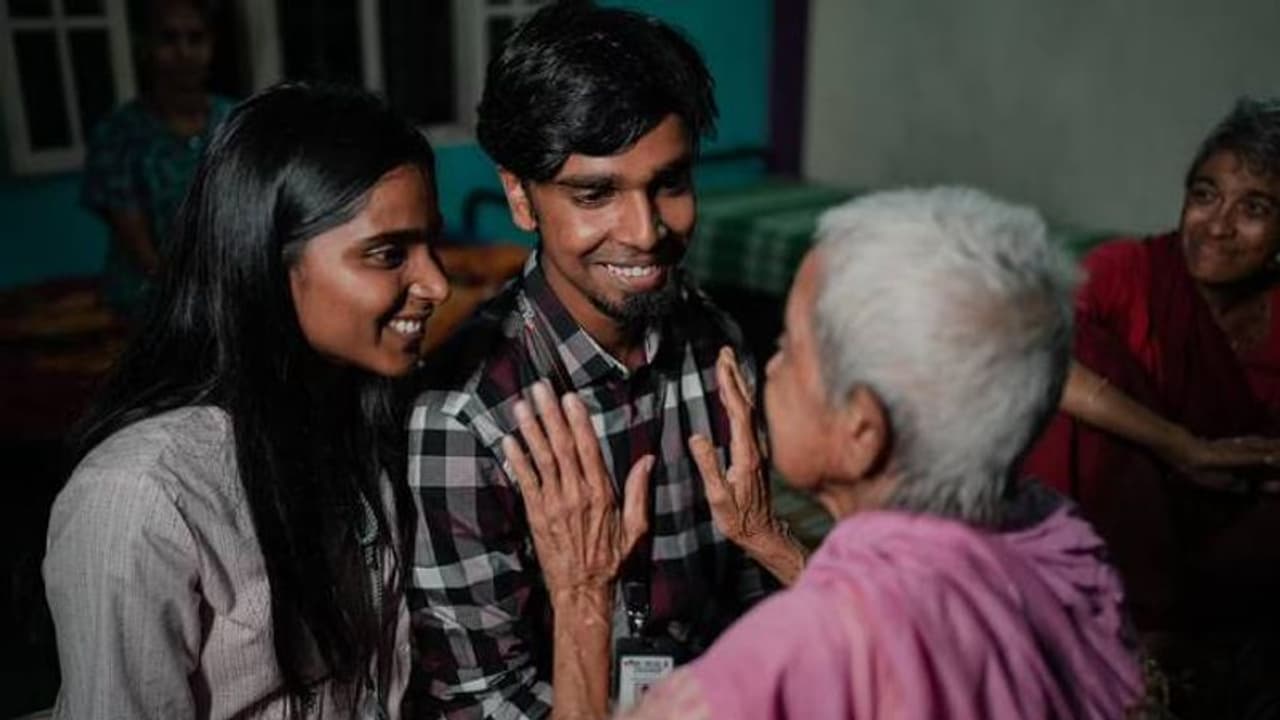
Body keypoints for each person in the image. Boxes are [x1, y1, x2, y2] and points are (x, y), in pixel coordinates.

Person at [508, 187, 1146, 719]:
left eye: (790, 346)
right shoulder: (1061, 542)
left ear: (860, 430)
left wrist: (584, 599)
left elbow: (855, 646)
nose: (772, 367)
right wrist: (772, 541)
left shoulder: (766, 672)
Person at [406, 3, 806, 716]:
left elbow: (749, 602)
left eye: (670, 184)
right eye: (595, 194)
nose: (646, 231)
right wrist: (584, 600)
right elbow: (483, 704)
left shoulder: (714, 341)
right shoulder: (465, 418)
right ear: (519, 198)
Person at [44, 83, 451, 719]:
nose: (437, 283)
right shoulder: (142, 496)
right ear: (266, 263)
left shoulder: (364, 426)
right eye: (389, 253)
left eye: (432, 245)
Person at [1020, 97, 1280, 714]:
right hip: (1118, 519)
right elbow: (1033, 357)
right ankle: (1142, 642)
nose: (1217, 224)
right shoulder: (1130, 271)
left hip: (1228, 530)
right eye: (1205, 195)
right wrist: (1178, 444)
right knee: (1061, 342)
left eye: (1255, 209)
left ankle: (1180, 648)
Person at [81, 0, 235, 318]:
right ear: (146, 46)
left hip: (225, 290)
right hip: (147, 300)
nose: (184, 52)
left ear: (211, 45)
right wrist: (192, 300)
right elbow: (138, 244)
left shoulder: (234, 122)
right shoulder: (119, 134)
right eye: (169, 39)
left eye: (195, 38)